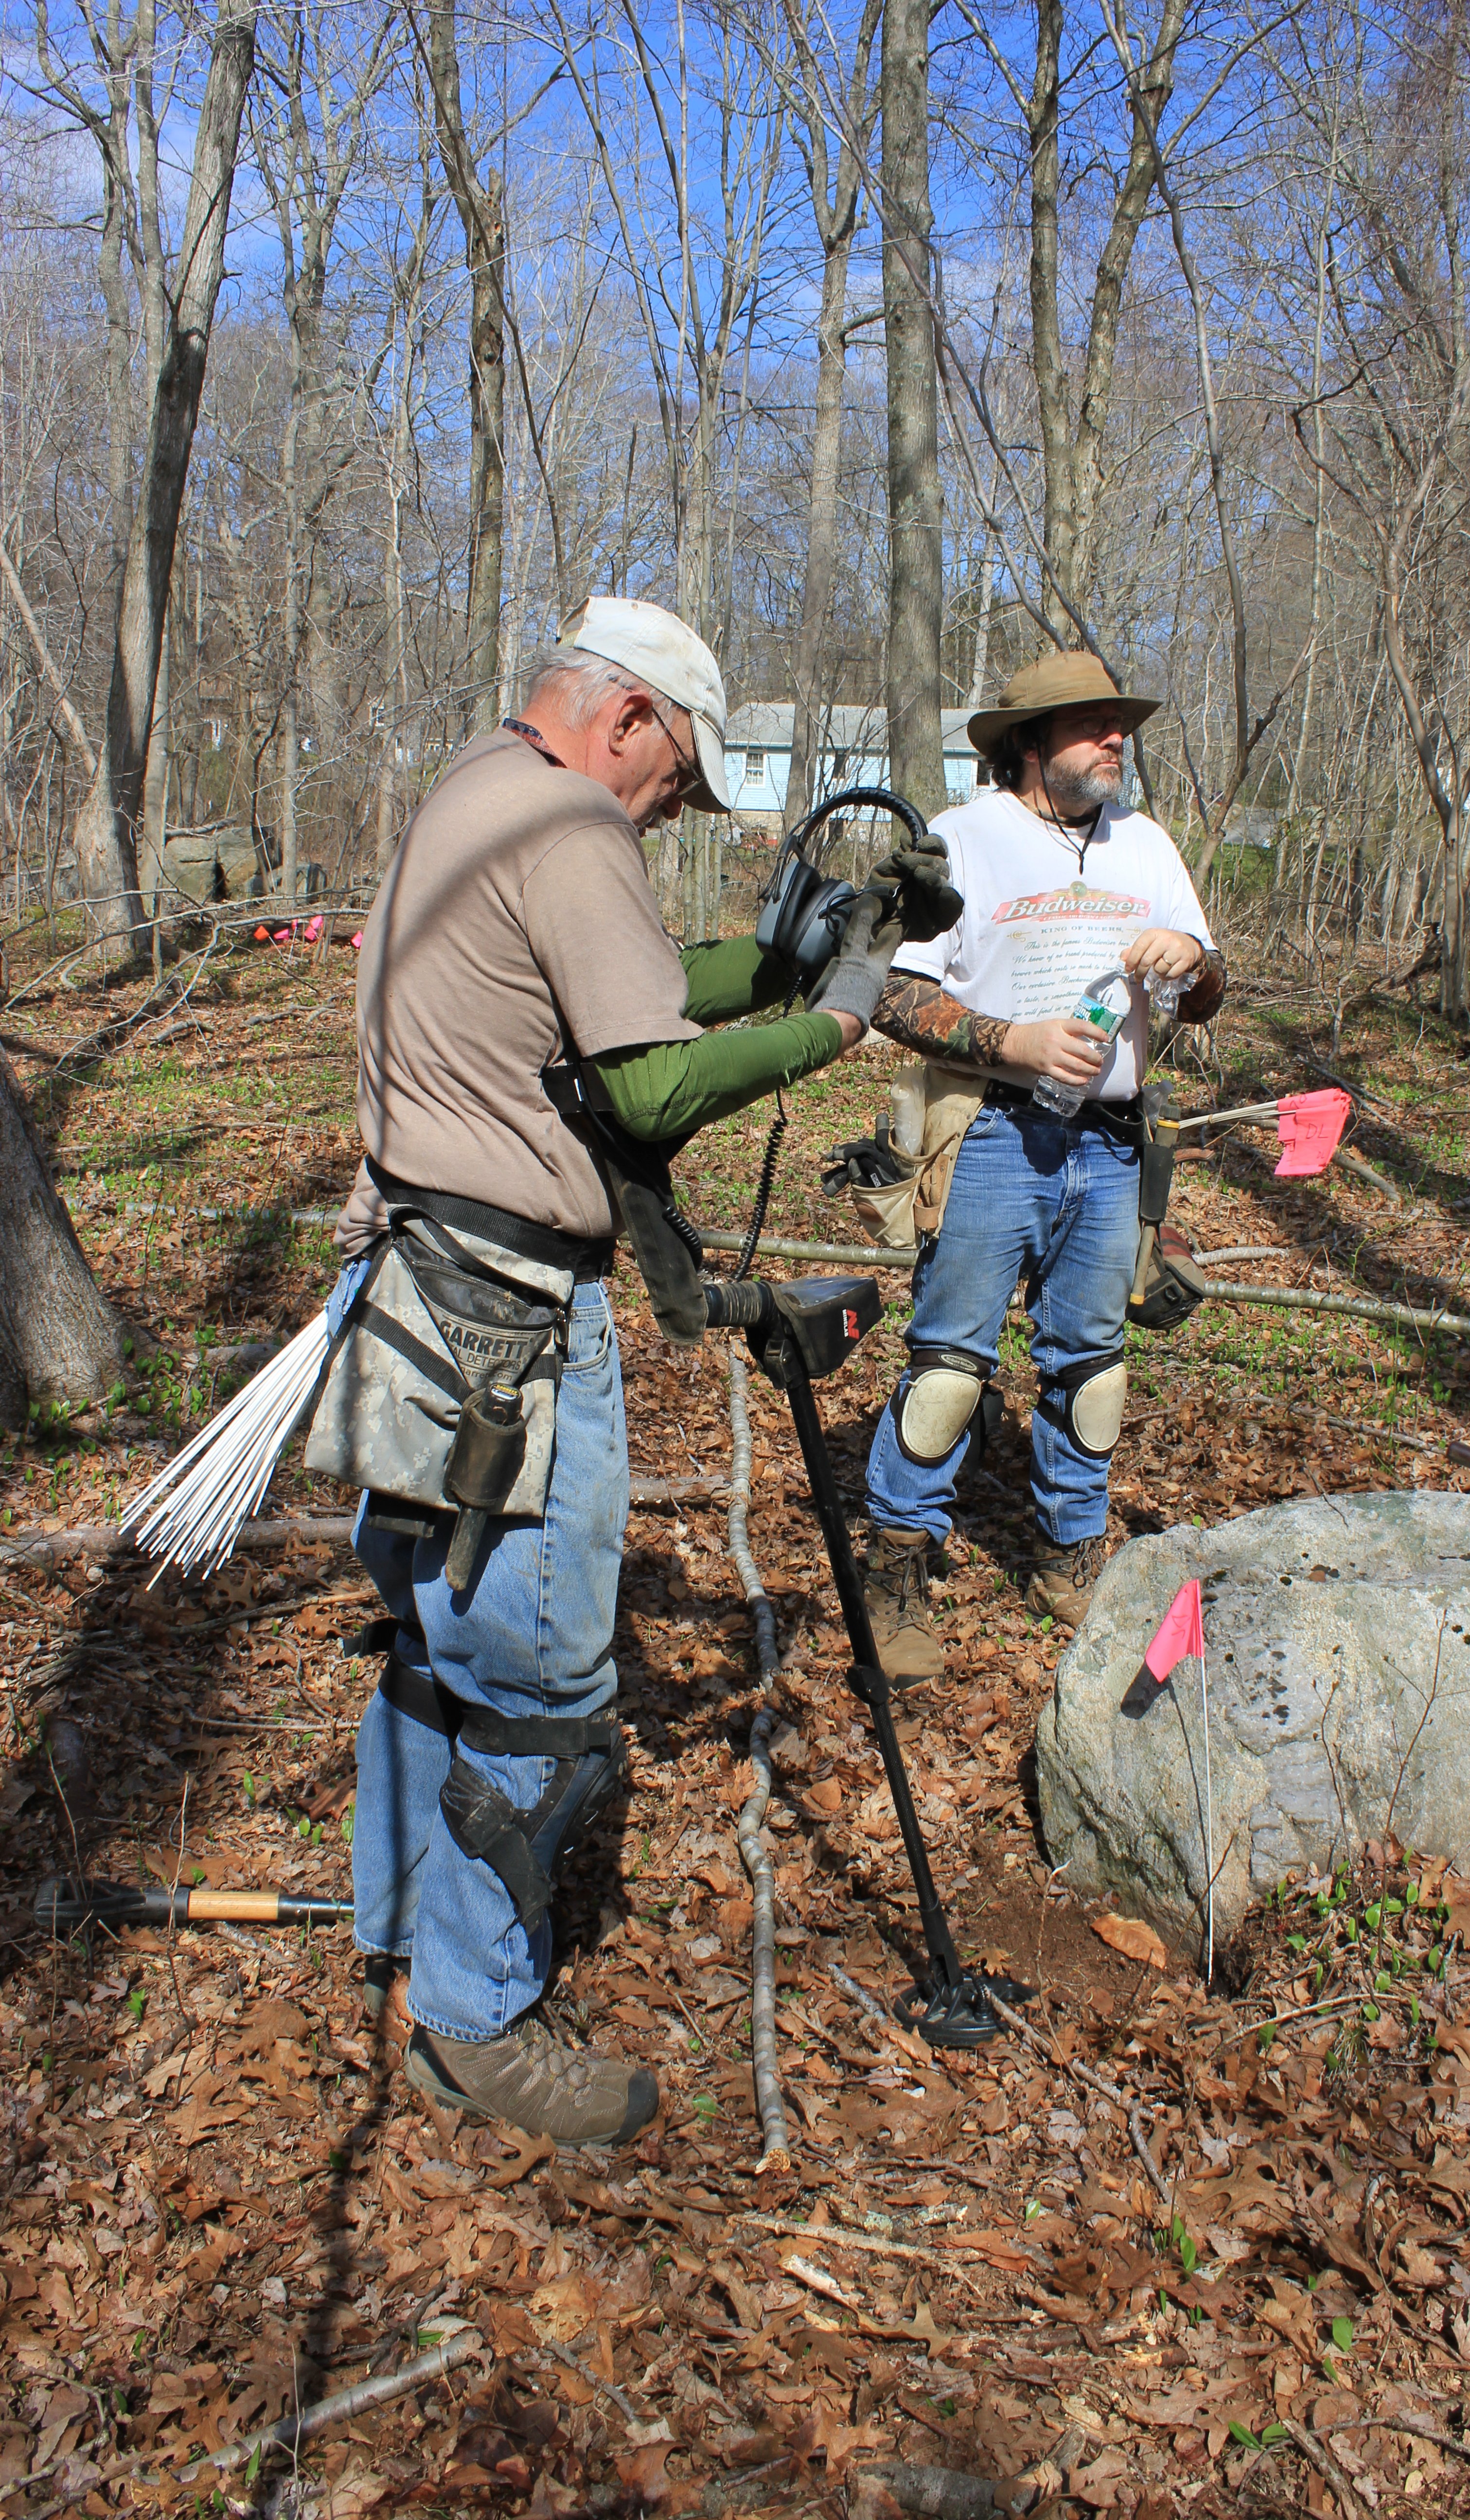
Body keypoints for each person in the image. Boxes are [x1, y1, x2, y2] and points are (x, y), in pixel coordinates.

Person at [325, 597, 944, 2148]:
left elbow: (629, 999)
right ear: (627, 723)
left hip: (410, 1288)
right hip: (507, 1326)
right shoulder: (574, 828)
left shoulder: (475, 795)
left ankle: (398, 1936)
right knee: (537, 1686)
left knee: (431, 1639)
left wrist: (795, 954)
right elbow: (651, 1083)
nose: (675, 809)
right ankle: (472, 2025)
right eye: (678, 776)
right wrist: (841, 1020)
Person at [860, 650, 1226, 1685]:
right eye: (1090, 725)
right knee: (948, 1367)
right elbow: (892, 994)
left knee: (1091, 1364)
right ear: (1028, 742)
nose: (1115, 740)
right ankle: (895, 1565)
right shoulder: (963, 840)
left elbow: (1208, 990)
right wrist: (1010, 1042)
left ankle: (1072, 1556)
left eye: (1121, 726)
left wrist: (1190, 963)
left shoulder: (1146, 846)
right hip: (990, 1137)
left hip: (1112, 1145)